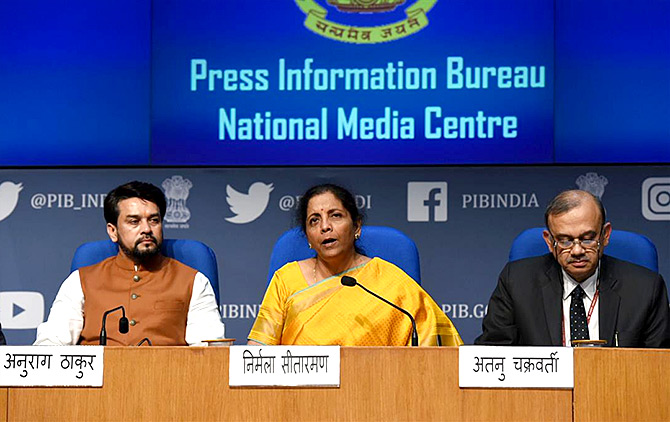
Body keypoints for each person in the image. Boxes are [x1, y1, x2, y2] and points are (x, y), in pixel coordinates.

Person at [248, 183, 462, 346]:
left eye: (336, 216)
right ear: (308, 238)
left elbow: (437, 349)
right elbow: (258, 352)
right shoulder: (286, 279)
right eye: (314, 220)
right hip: (296, 397)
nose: (325, 226)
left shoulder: (391, 283)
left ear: (357, 226)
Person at [34, 181, 225, 346]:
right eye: (134, 221)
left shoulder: (194, 281)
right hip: (96, 386)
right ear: (113, 231)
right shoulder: (80, 281)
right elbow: (51, 345)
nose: (146, 229)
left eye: (154, 220)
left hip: (168, 383)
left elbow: (209, 353)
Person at [476, 190, 670, 347]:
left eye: (587, 238)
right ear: (549, 242)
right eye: (565, 240)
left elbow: (660, 367)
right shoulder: (516, 282)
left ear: (605, 235)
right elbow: (492, 355)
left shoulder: (646, 289)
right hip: (541, 394)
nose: (577, 250)